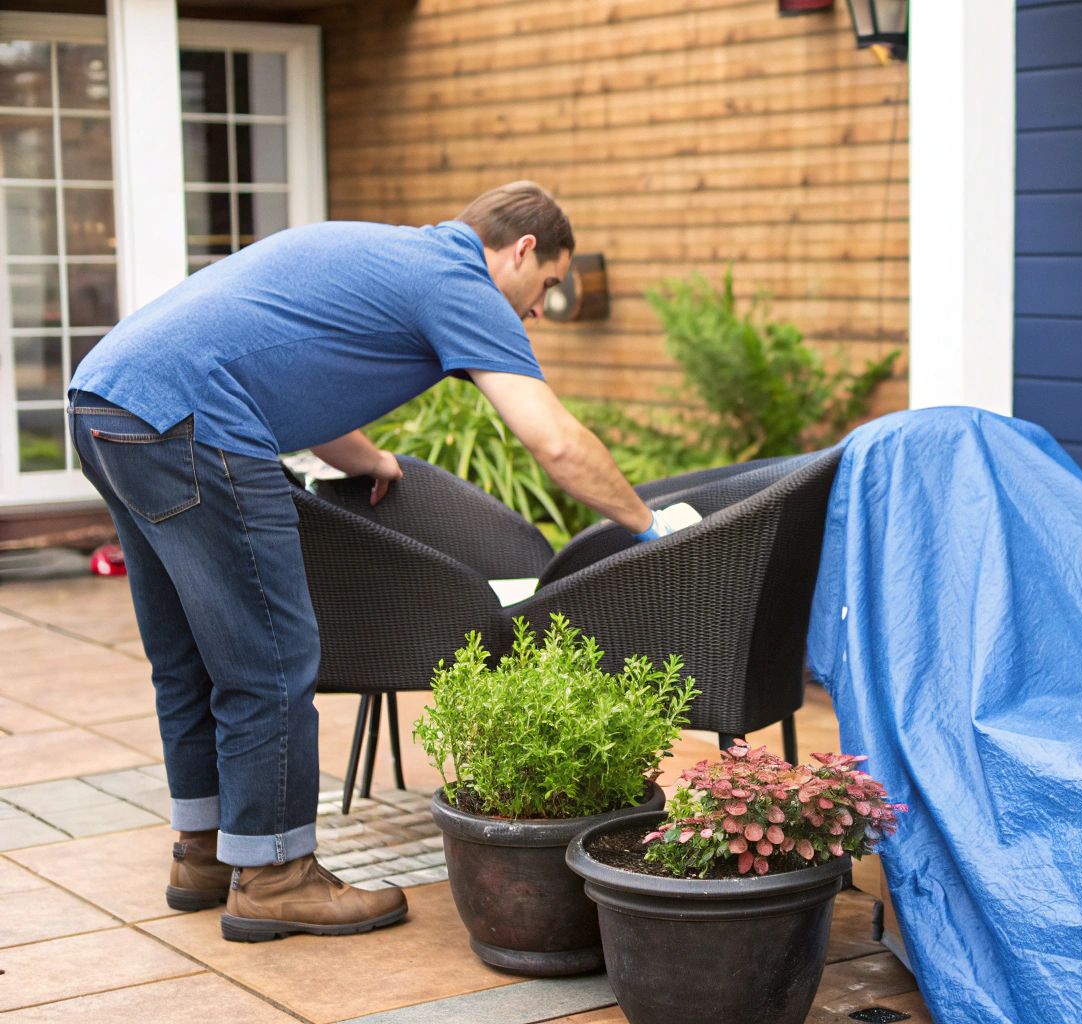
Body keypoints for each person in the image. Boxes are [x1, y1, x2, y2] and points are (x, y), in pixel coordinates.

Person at [65, 182, 666, 942]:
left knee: (186, 648)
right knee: (270, 656)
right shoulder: (461, 284)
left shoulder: (385, 252)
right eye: (546, 283)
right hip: (194, 421)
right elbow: (551, 440)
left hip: (109, 400)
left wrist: (366, 456)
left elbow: (286, 361)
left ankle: (207, 851)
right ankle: (277, 875)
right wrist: (648, 524)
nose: (541, 307)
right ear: (520, 251)